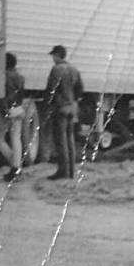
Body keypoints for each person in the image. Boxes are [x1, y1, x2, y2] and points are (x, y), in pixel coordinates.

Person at [46, 45, 83, 180]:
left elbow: (51, 89)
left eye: (53, 55)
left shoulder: (56, 69)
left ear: (57, 55)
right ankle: (71, 171)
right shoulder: (74, 69)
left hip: (60, 107)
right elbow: (80, 89)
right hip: (72, 108)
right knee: (70, 139)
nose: (52, 58)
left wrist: (49, 104)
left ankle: (63, 171)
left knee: (61, 140)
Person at [0, 52, 25, 182]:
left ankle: (14, 164)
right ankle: (16, 167)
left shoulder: (3, 77)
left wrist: (4, 110)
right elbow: (21, 94)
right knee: (16, 138)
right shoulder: (20, 77)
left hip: (4, 109)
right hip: (18, 109)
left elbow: (2, 95)